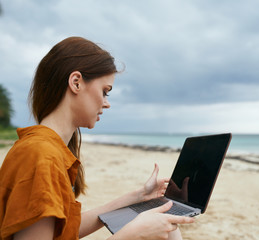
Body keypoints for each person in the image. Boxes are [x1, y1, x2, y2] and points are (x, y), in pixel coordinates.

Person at [0, 37, 194, 240]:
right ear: (76, 83)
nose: (107, 103)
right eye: (105, 91)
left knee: (169, 226)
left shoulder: (46, 149)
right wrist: (131, 234)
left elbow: (64, 230)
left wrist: (138, 197)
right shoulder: (41, 156)